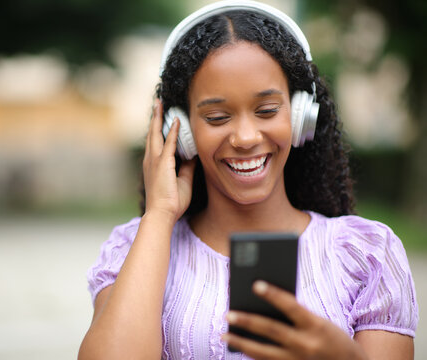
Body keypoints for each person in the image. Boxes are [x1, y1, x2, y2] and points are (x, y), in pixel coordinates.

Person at [78, 1, 418, 359]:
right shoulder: (136, 247)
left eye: (267, 111)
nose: (244, 137)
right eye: (217, 116)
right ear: (181, 132)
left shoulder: (367, 254)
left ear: (301, 116)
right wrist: (160, 214)